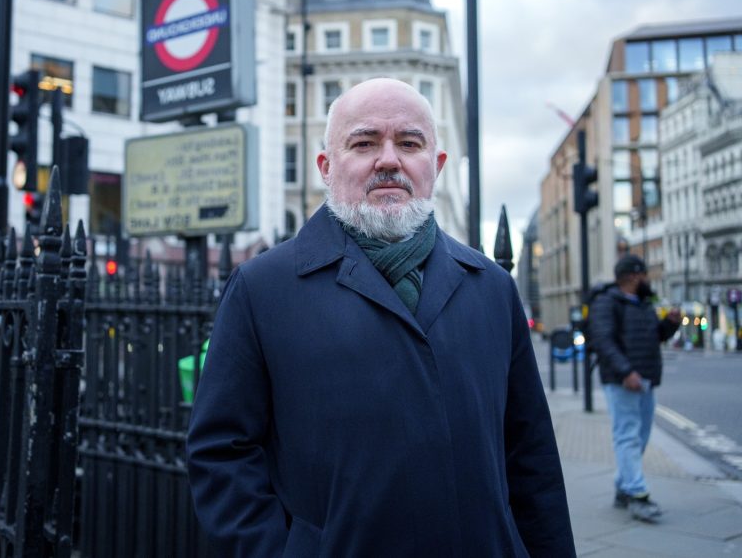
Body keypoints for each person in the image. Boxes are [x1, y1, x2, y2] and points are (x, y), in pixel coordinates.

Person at [186, 78, 574, 557]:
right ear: (326, 167)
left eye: (409, 144)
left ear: (436, 165)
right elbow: (222, 453)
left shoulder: (492, 288)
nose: (389, 160)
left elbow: (531, 455)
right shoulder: (261, 288)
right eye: (364, 143)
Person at [589, 254, 681, 522]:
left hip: (645, 380)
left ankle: (623, 487)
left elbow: (654, 336)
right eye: (644, 276)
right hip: (623, 381)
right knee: (627, 436)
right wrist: (626, 372)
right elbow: (603, 340)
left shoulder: (642, 303)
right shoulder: (607, 302)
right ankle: (637, 494)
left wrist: (670, 324)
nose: (647, 280)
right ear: (632, 276)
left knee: (639, 437)